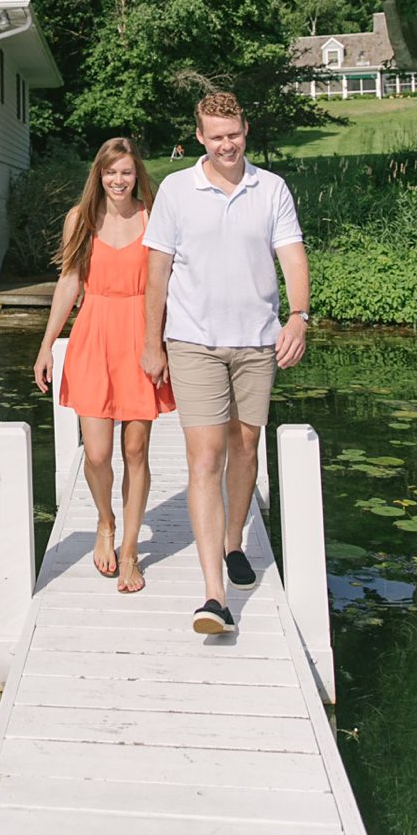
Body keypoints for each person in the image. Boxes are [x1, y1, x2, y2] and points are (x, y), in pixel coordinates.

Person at [141, 91, 309, 635]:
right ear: (200, 138)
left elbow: (292, 256)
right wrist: (152, 342)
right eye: (216, 136)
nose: (226, 144)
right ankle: (214, 594)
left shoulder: (271, 188)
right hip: (192, 341)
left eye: (233, 133)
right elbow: (157, 272)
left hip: (258, 341)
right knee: (205, 455)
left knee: (245, 447)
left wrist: (299, 316)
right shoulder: (175, 190)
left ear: (245, 129)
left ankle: (235, 540)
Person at [33, 137, 170, 593]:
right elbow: (69, 283)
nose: (118, 179)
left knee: (135, 450)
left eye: (126, 172)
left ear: (137, 175)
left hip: (140, 336)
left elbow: (169, 285)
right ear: (99, 174)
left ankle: (130, 551)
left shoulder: (154, 218)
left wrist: (163, 344)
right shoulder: (81, 219)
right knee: (96, 453)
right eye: (111, 172)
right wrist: (47, 345)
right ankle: (105, 521)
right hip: (93, 336)